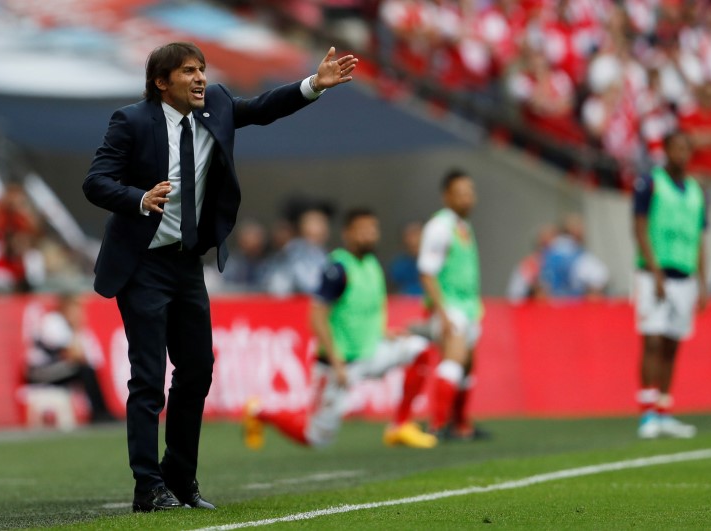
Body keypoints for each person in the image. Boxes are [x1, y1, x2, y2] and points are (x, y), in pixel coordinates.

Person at [83, 42, 357, 513]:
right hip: (143, 264)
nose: (199, 78)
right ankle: (147, 486)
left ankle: (180, 477)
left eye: (202, 70)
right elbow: (96, 181)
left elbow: (264, 108)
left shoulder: (218, 106)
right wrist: (138, 198)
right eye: (187, 71)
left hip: (187, 264)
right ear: (160, 82)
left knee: (198, 370)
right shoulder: (130, 122)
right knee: (148, 377)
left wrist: (314, 85)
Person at [242, 208, 437, 450]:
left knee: (419, 349)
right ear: (348, 234)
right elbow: (317, 316)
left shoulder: (372, 264)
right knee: (315, 438)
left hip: (371, 351)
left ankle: (400, 425)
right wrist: (336, 361)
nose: (369, 234)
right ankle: (259, 411)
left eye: (372, 229)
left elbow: (363, 311)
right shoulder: (338, 269)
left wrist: (384, 332)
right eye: (362, 230)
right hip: (340, 365)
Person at [633, 130, 708, 440]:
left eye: (686, 149)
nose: (681, 154)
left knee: (672, 344)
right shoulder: (650, 183)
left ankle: (664, 410)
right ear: (664, 150)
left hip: (685, 276)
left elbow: (700, 239)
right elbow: (639, 228)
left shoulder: (695, 191)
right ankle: (647, 412)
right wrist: (655, 272)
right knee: (652, 340)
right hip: (654, 274)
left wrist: (703, 282)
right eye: (676, 148)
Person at [418, 168, 487, 441]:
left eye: (470, 193)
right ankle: (437, 424)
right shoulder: (439, 227)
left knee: (468, 366)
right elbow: (427, 271)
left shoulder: (463, 226)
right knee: (454, 360)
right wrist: (443, 313)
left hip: (468, 308)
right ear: (446, 196)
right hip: (450, 308)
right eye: (460, 194)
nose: (467, 199)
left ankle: (461, 425)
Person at [26, 293, 113, 424]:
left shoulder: (75, 328)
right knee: (85, 371)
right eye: (76, 308)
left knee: (89, 370)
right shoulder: (53, 322)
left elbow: (90, 358)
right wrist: (77, 330)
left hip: (61, 369)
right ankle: (98, 414)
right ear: (66, 308)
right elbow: (72, 355)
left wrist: (77, 330)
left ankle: (102, 412)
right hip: (40, 372)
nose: (79, 313)